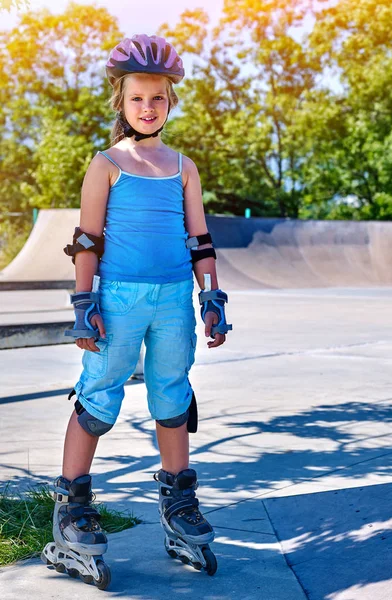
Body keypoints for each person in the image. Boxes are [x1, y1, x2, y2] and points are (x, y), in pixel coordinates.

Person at [41, 34, 231, 588]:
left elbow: (200, 239)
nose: (148, 107)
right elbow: (87, 240)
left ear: (170, 103)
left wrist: (211, 296)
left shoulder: (183, 166)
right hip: (119, 298)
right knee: (100, 393)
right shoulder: (106, 164)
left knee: (172, 393)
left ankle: (179, 503)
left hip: (173, 298)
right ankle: (72, 507)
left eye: (158, 98)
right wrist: (84, 303)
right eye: (137, 99)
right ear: (121, 104)